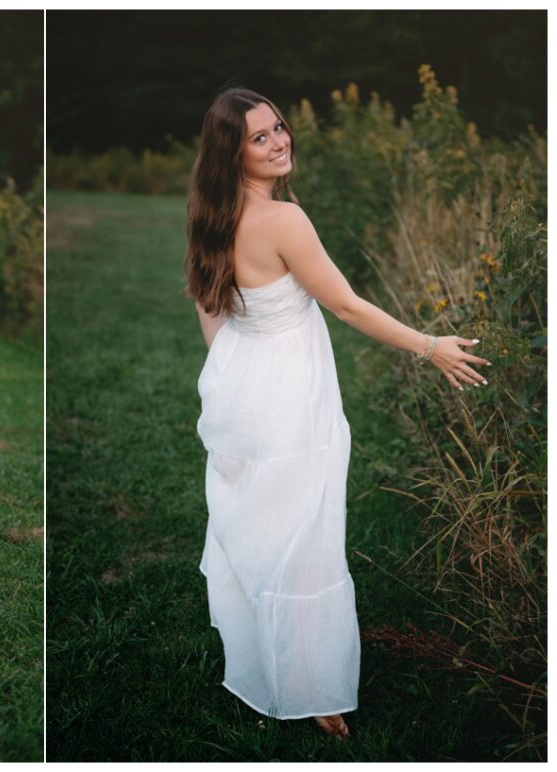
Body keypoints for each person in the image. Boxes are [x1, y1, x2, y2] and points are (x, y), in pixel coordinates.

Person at [185, 89, 488, 740]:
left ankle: (272, 655)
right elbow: (348, 307)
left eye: (280, 128)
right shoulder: (283, 220)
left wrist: (230, 373)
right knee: (304, 533)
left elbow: (208, 304)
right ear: (232, 153)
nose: (279, 141)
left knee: (263, 524)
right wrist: (431, 347)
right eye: (260, 138)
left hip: (241, 384)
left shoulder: (213, 211)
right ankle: (309, 684)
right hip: (288, 392)